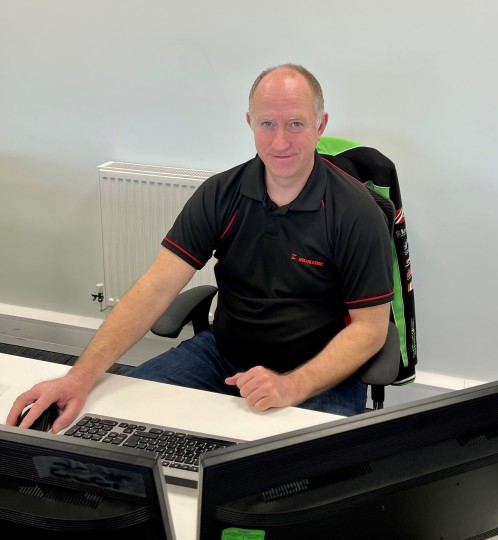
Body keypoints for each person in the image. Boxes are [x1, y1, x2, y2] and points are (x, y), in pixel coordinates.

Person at [7, 64, 393, 433]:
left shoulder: (356, 211)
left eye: (295, 124)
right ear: (249, 123)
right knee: (113, 424)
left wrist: (291, 386)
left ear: (320, 124)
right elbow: (154, 288)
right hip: (223, 356)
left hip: (319, 371)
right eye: (267, 124)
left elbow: (370, 331)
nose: (280, 141)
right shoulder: (220, 194)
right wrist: (78, 377)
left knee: (294, 484)